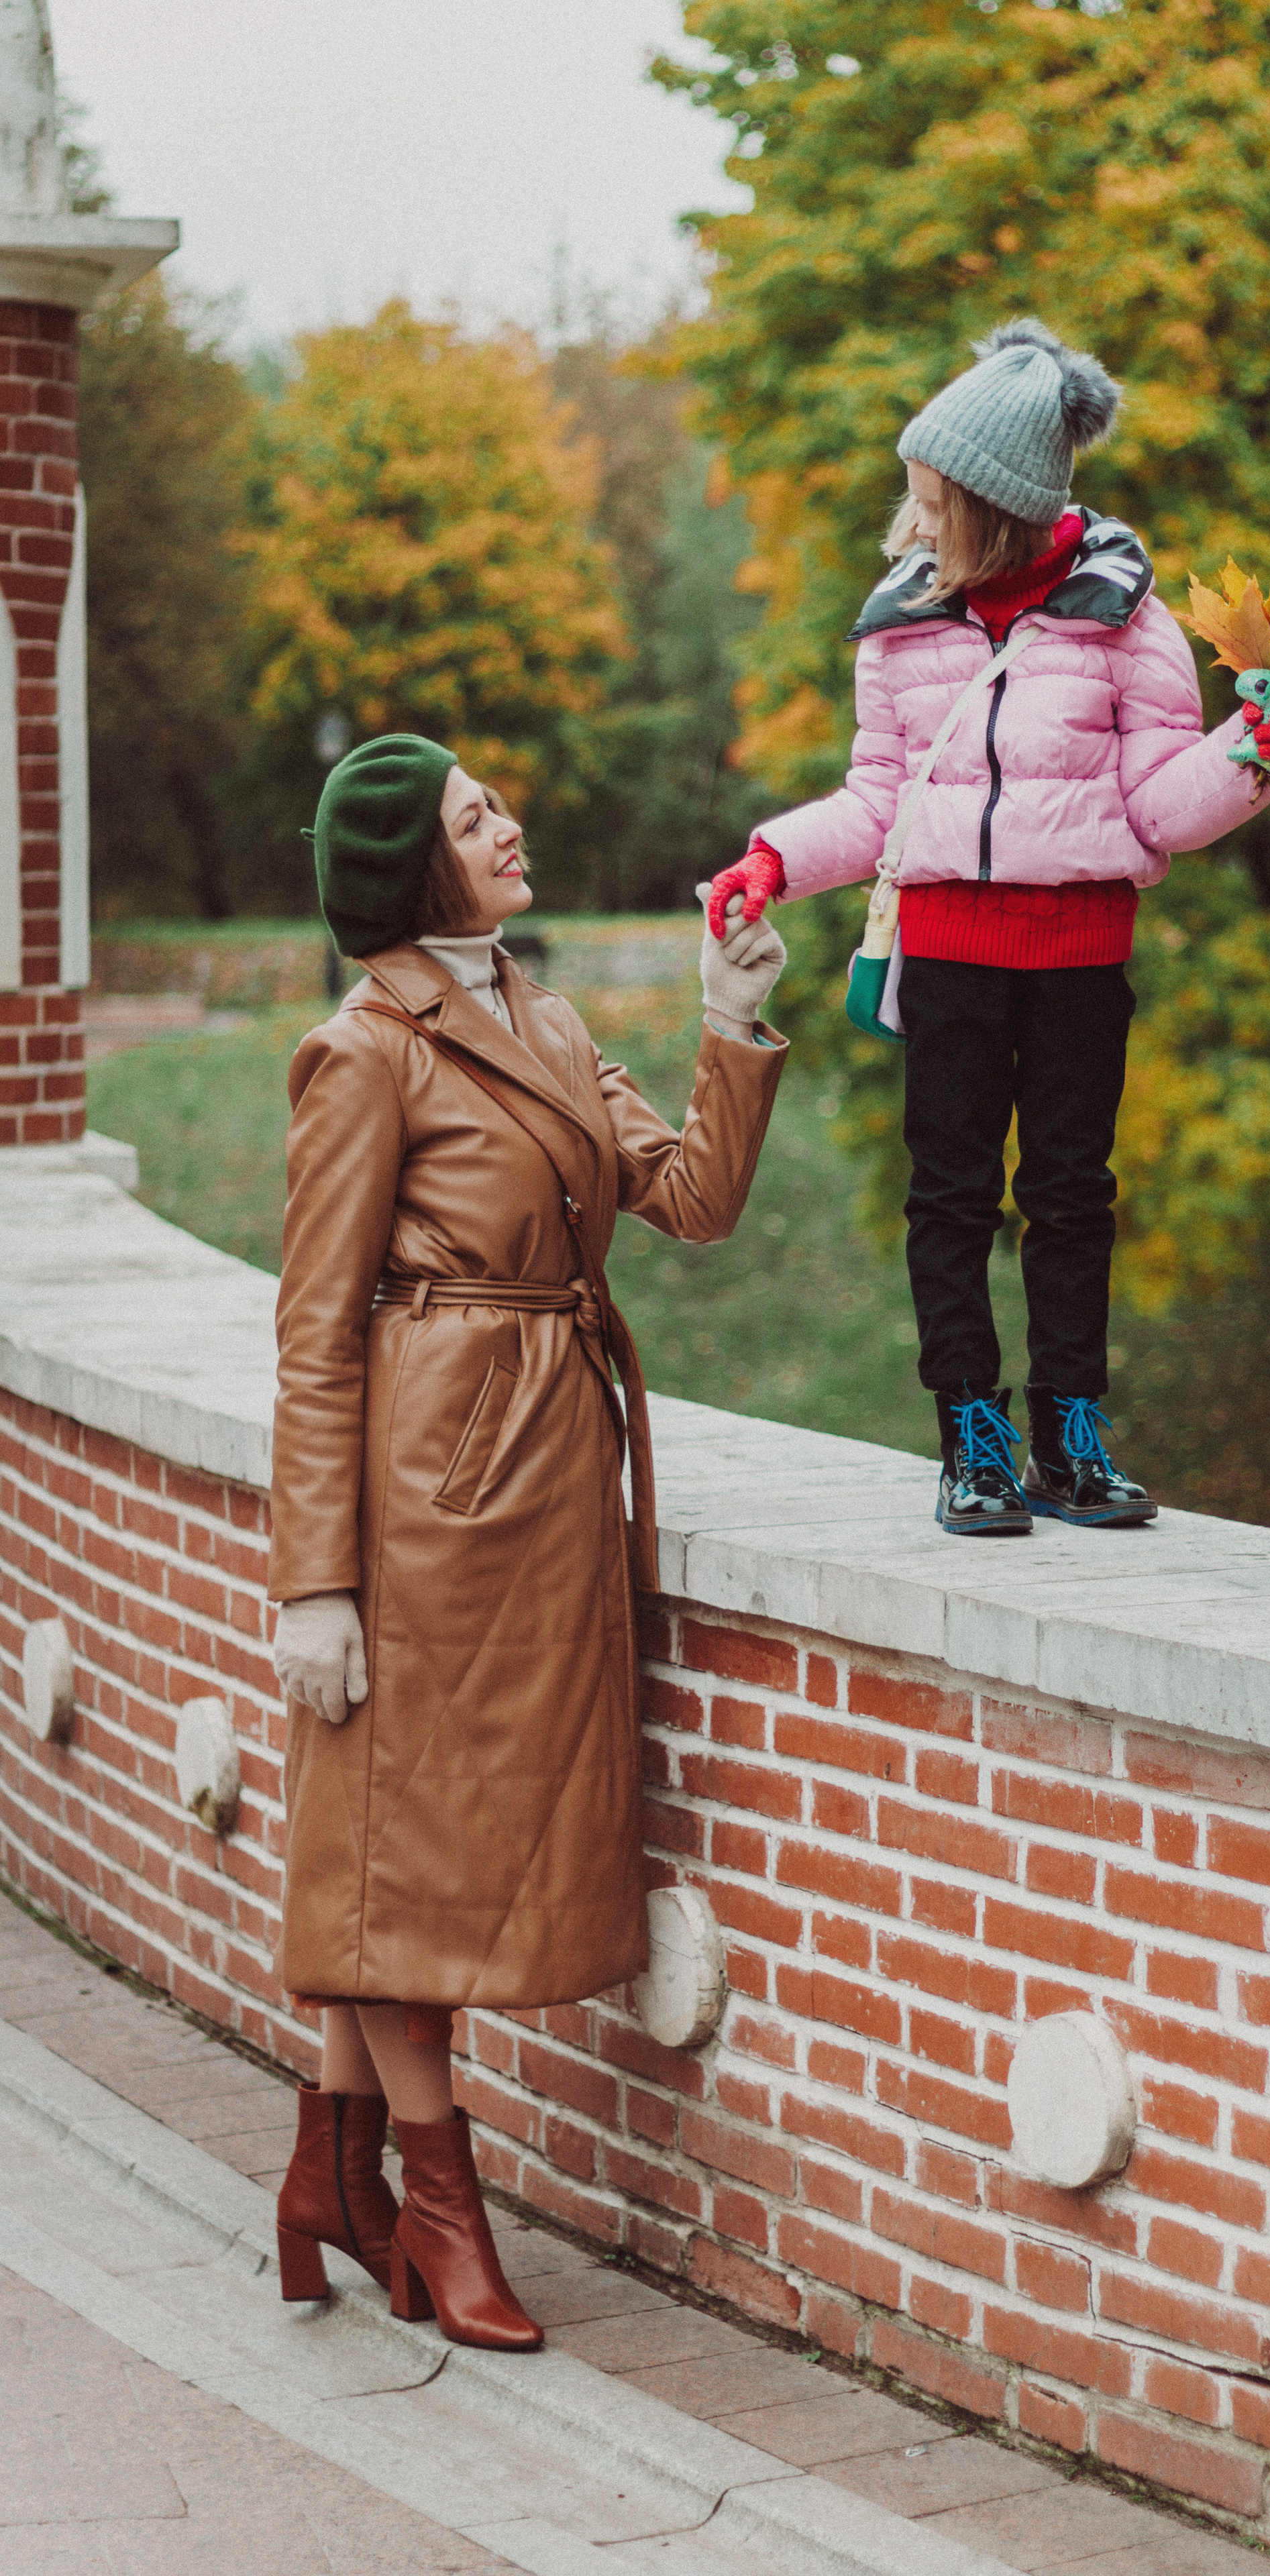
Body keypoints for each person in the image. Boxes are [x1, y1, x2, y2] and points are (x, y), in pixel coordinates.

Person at [268, 735, 787, 2349]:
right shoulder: (364, 1050)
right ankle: (437, 2212)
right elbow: (311, 1333)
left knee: (410, 1847)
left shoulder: (545, 1019)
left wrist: (727, 1016)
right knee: (404, 1852)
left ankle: (327, 2180)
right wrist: (317, 1583)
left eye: (500, 803)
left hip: (549, 1477)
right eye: (474, 815)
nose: (511, 825)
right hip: (423, 1489)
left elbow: (689, 1200)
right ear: (416, 869)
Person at [705, 319, 1270, 1538]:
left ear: (1000, 505)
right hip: (949, 957)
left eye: (937, 503)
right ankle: (970, 1442)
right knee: (952, 1199)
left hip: (1080, 956)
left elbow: (1155, 806)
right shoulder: (901, 621)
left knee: (1075, 1198)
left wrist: (1255, 755)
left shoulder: (1123, 616)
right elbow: (881, 800)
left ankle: (1070, 1442)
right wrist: (774, 855)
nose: (917, 523)